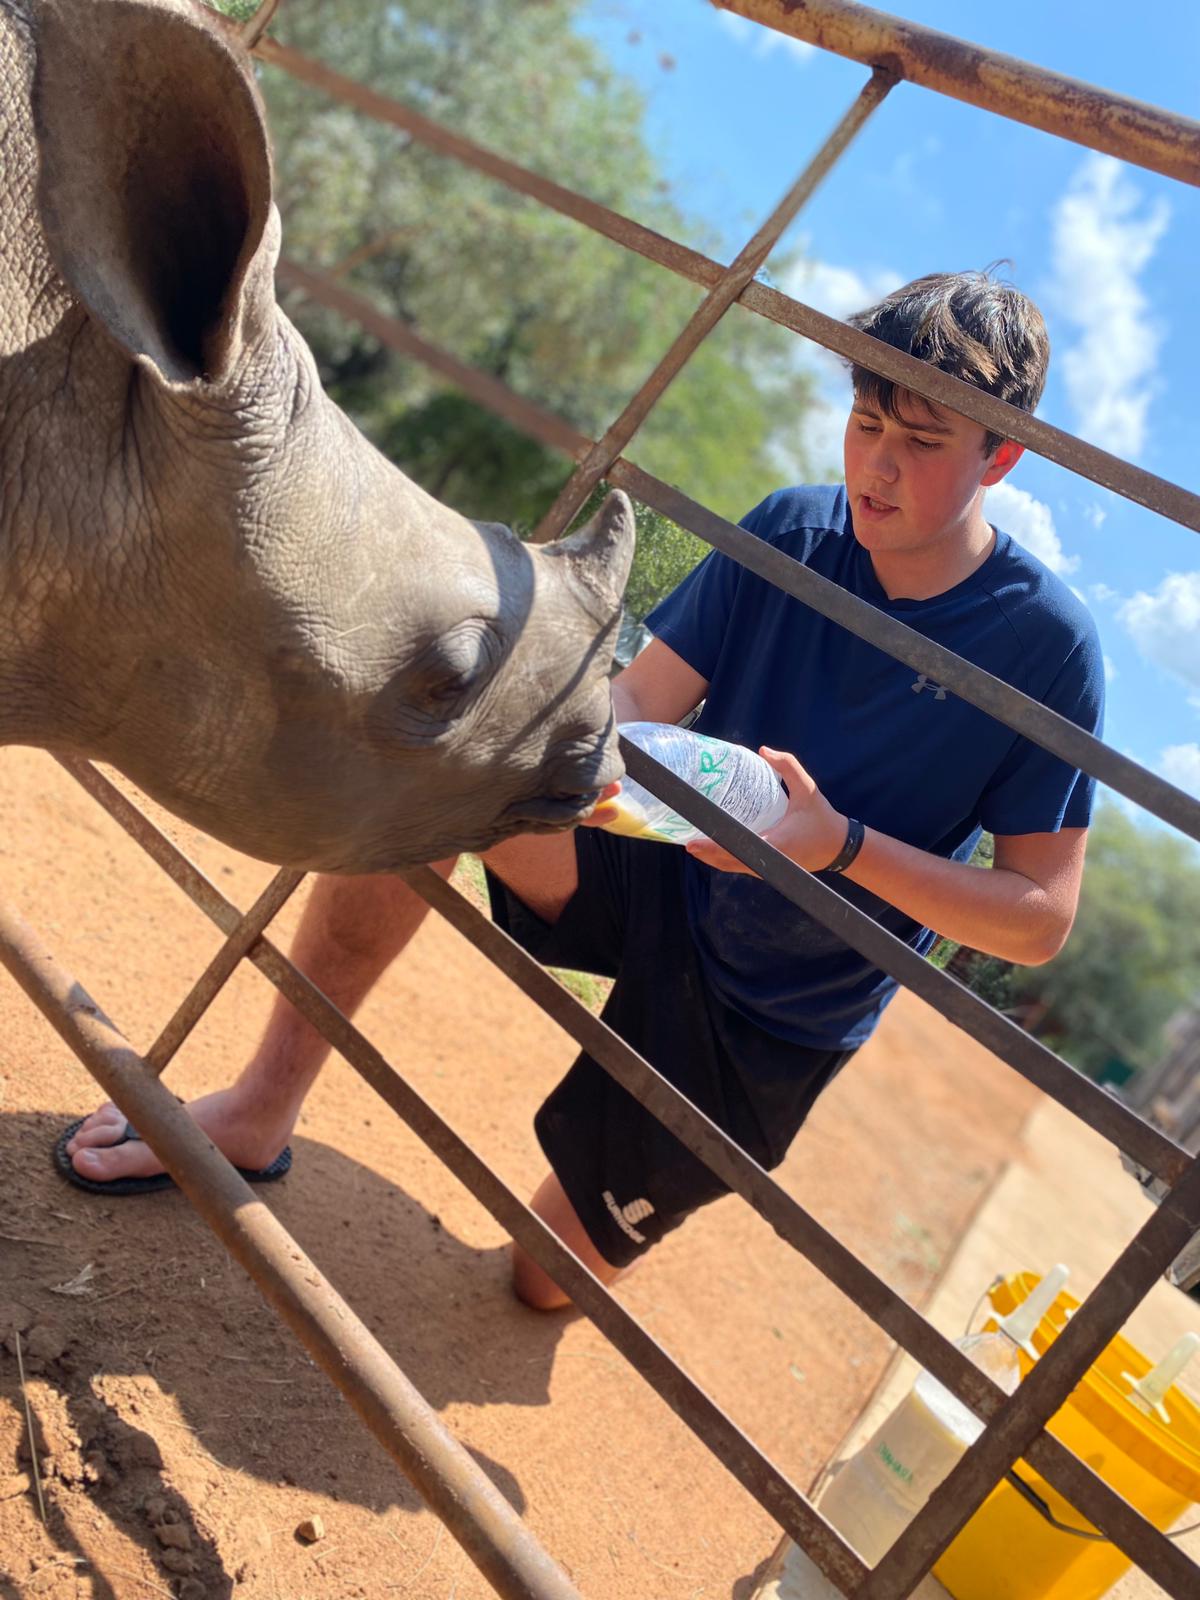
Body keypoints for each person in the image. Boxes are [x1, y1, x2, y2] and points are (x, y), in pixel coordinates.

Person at [61, 270, 1104, 1310]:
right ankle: (258, 1111)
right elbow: (638, 703)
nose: (876, 466)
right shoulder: (794, 529)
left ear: (1000, 457)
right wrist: (533, 744)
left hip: (774, 1008)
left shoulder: (1047, 648)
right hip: (662, 870)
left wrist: (838, 847)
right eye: (866, 422)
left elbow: (1038, 919)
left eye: (921, 442)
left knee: (542, 1278)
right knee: (447, 763)